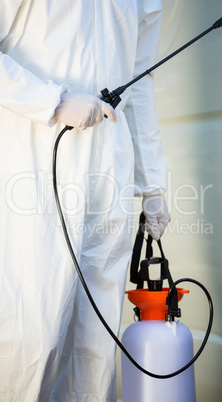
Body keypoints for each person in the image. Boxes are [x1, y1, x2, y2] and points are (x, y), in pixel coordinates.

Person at [0, 0, 170, 400]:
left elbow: (140, 83)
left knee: (96, 340)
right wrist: (52, 101)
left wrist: (153, 186)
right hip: (35, 157)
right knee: (34, 329)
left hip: (110, 161)